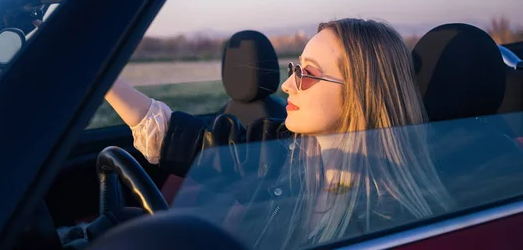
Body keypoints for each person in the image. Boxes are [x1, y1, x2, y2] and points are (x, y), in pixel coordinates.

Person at [105, 18, 453, 249]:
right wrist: (97, 74)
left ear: (362, 92)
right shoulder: (284, 153)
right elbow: (177, 136)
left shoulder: (392, 223)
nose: (288, 85)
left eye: (307, 73)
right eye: (293, 69)